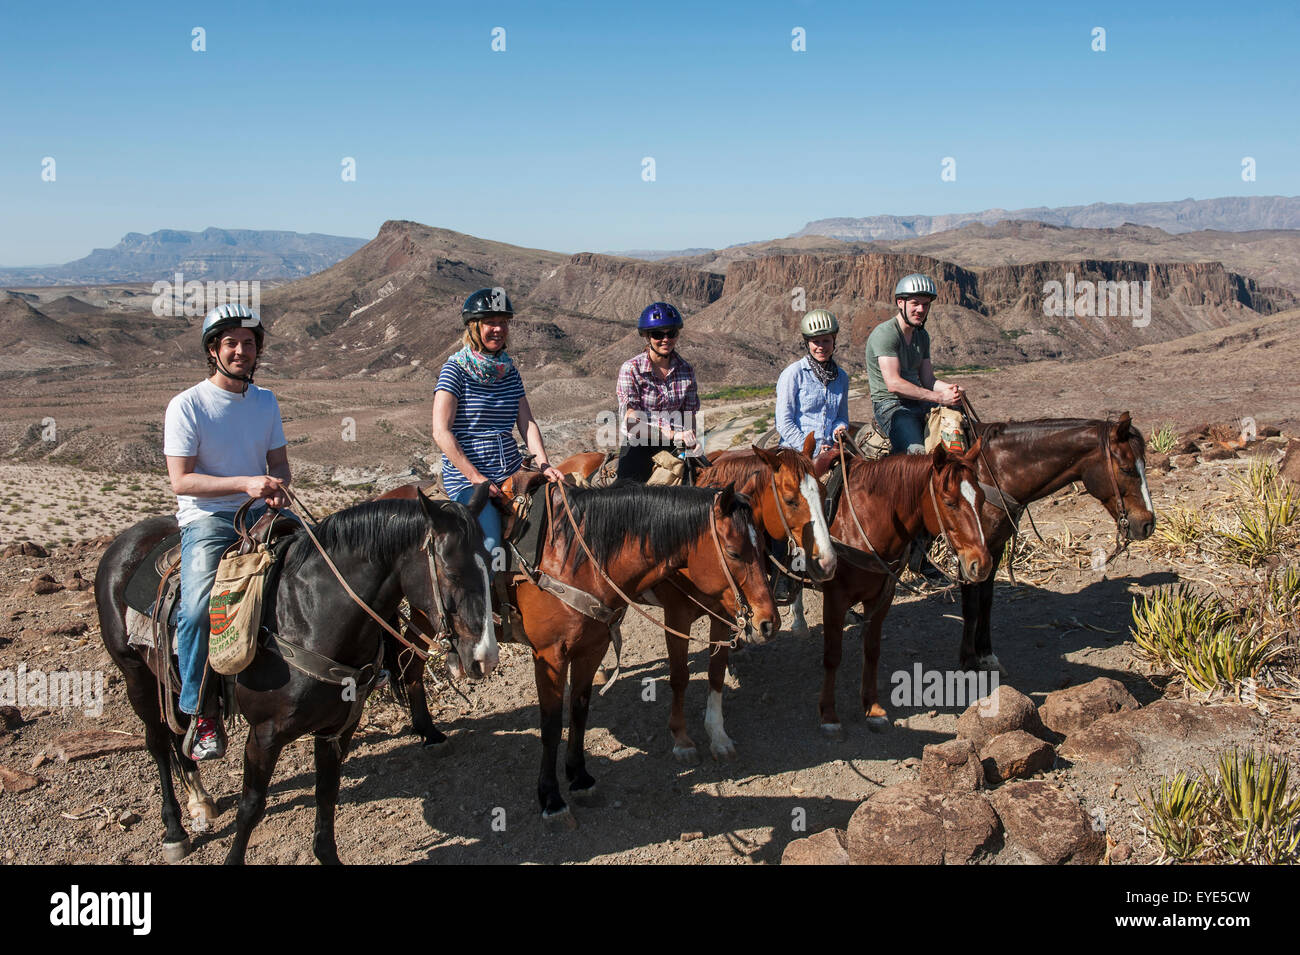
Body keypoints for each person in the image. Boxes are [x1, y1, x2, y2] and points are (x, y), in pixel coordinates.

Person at [164, 304, 291, 760]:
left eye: (249, 343)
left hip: (261, 511)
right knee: (198, 609)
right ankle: (200, 712)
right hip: (209, 518)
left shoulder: (265, 401)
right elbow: (182, 480)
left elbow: (278, 465)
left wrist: (276, 488)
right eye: (231, 343)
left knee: (331, 561)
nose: (241, 351)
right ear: (213, 350)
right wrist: (244, 483)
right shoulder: (188, 404)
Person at [432, 287, 564, 580]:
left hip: (511, 471)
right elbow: (441, 433)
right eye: (491, 322)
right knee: (491, 547)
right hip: (470, 478)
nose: (498, 329)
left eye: (503, 322)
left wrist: (543, 463)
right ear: (474, 327)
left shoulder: (509, 371)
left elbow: (526, 422)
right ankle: (483, 618)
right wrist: (475, 478)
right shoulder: (455, 371)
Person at [864, 273, 963, 455]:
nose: (920, 309)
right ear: (900, 303)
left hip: (917, 401)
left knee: (960, 435)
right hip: (890, 405)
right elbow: (894, 384)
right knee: (916, 453)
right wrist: (939, 398)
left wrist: (950, 390)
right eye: (915, 303)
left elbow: (928, 379)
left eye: (925, 305)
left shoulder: (922, 336)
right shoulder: (886, 334)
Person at [614, 302, 701, 482]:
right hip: (639, 444)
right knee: (627, 497)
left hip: (677, 446)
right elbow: (632, 421)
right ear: (647, 336)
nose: (665, 339)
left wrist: (691, 438)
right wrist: (672, 434)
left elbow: (689, 414)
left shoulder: (686, 370)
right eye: (658, 334)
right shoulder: (632, 369)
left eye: (671, 333)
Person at [776, 308, 850, 456]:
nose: (821, 347)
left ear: (834, 341)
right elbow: (784, 422)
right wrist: (813, 449)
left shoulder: (841, 377)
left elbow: (841, 417)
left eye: (826, 341)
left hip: (829, 451)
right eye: (816, 341)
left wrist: (839, 429)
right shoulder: (794, 374)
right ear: (807, 343)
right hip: (795, 451)